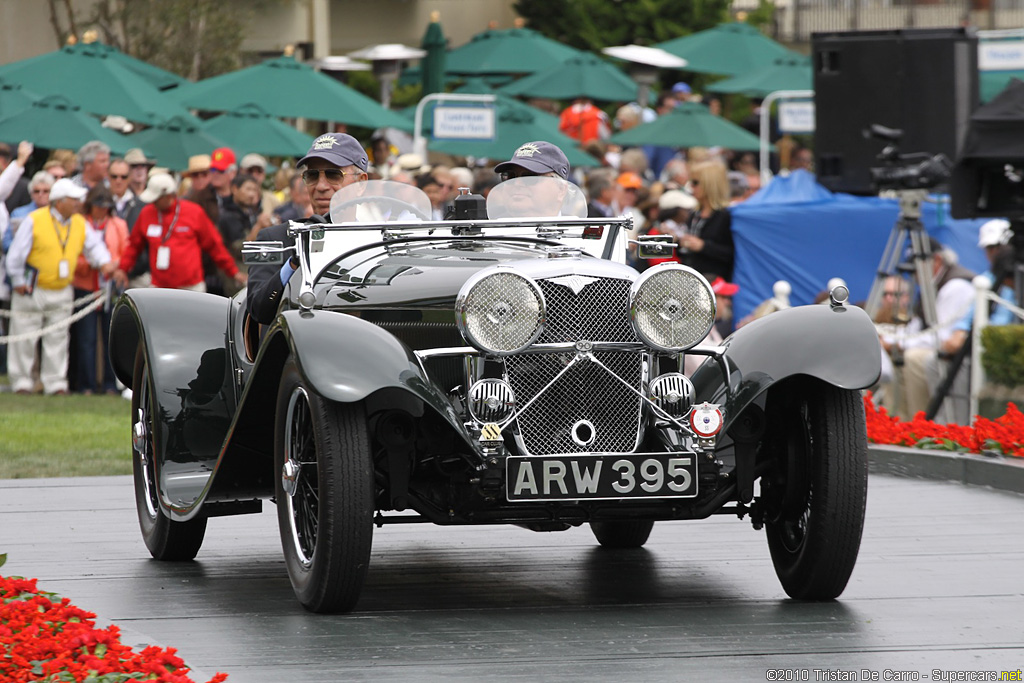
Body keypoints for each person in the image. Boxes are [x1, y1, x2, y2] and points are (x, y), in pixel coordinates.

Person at [5, 179, 116, 395]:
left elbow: (95, 246)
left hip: (63, 288)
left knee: (58, 338)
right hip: (33, 287)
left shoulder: (79, 222)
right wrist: (18, 281)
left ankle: (55, 382)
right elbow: (16, 255)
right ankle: (22, 381)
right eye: (73, 199)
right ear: (59, 202)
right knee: (24, 336)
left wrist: (104, 263)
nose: (78, 203)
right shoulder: (35, 219)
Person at [246, 133, 369, 324]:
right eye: (312, 175)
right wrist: (295, 261)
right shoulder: (276, 238)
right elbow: (258, 309)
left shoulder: (376, 241)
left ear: (361, 183)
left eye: (333, 174)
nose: (320, 186)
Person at [881, 239, 975, 421]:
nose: (914, 274)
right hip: (939, 347)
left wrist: (897, 343)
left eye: (916, 268)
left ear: (937, 260)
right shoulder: (931, 286)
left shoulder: (955, 286)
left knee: (912, 358)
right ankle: (898, 424)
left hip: (955, 353)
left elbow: (942, 336)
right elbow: (917, 327)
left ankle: (922, 425)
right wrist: (890, 340)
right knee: (894, 359)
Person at [112, 173, 245, 293]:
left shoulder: (193, 212)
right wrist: (123, 268)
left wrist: (233, 272)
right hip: (159, 287)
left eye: (157, 198)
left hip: (192, 287)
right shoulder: (147, 213)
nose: (153, 202)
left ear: (169, 196)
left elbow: (214, 246)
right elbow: (134, 246)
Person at [70, 185, 128, 394]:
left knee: (111, 337)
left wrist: (114, 265)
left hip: (111, 288)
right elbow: (73, 256)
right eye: (97, 206)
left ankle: (111, 384)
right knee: (86, 339)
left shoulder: (118, 224)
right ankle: (86, 384)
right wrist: (93, 265)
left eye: (105, 207)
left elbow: (127, 250)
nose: (101, 210)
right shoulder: (80, 224)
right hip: (86, 286)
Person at [676, 160, 735, 281]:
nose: (691, 187)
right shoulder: (694, 213)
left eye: (695, 183)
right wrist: (679, 241)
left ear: (710, 184)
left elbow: (732, 253)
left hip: (715, 283)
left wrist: (703, 246)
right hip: (691, 279)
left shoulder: (725, 216)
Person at [218, 173, 272, 295]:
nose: (252, 194)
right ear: (235, 189)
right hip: (235, 279)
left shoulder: (250, 212)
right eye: (248, 189)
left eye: (254, 190)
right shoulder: (228, 216)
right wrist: (259, 226)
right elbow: (240, 248)